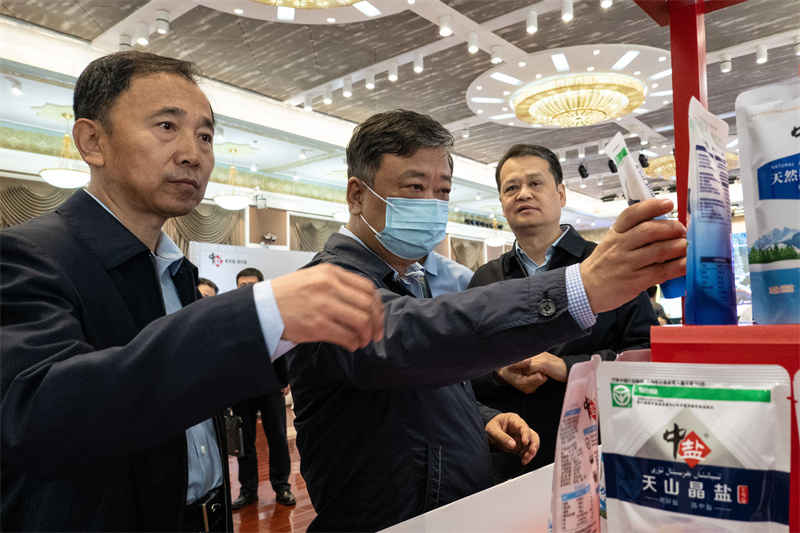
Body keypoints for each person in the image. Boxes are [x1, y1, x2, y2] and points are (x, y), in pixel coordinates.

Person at [0, 51, 384, 532]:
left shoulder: (174, 268)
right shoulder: (25, 256)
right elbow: (37, 420)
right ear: (92, 141)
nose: (193, 154)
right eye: (166, 127)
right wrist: (254, 317)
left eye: (205, 136)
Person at [286, 109, 686, 532]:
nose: (432, 203)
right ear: (356, 195)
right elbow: (416, 337)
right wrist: (580, 287)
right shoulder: (322, 288)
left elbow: (417, 384)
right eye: (415, 187)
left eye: (443, 191)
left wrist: (477, 419)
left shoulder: (404, 279)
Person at [469, 144, 659, 482]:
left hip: (598, 454)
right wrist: (497, 373)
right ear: (501, 202)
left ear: (561, 193)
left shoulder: (608, 265)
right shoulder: (485, 278)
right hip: (510, 461)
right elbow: (462, 367)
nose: (523, 194)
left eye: (535, 183)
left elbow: (648, 357)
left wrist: (568, 368)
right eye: (511, 188)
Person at [230, 268, 296, 509]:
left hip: (270, 383)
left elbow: (283, 346)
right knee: (244, 441)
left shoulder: (272, 312)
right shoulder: (230, 314)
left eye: (251, 284)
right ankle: (248, 491)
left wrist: (285, 380)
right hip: (242, 387)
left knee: (277, 438)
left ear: (261, 285)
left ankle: (282, 487)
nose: (246, 289)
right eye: (242, 285)